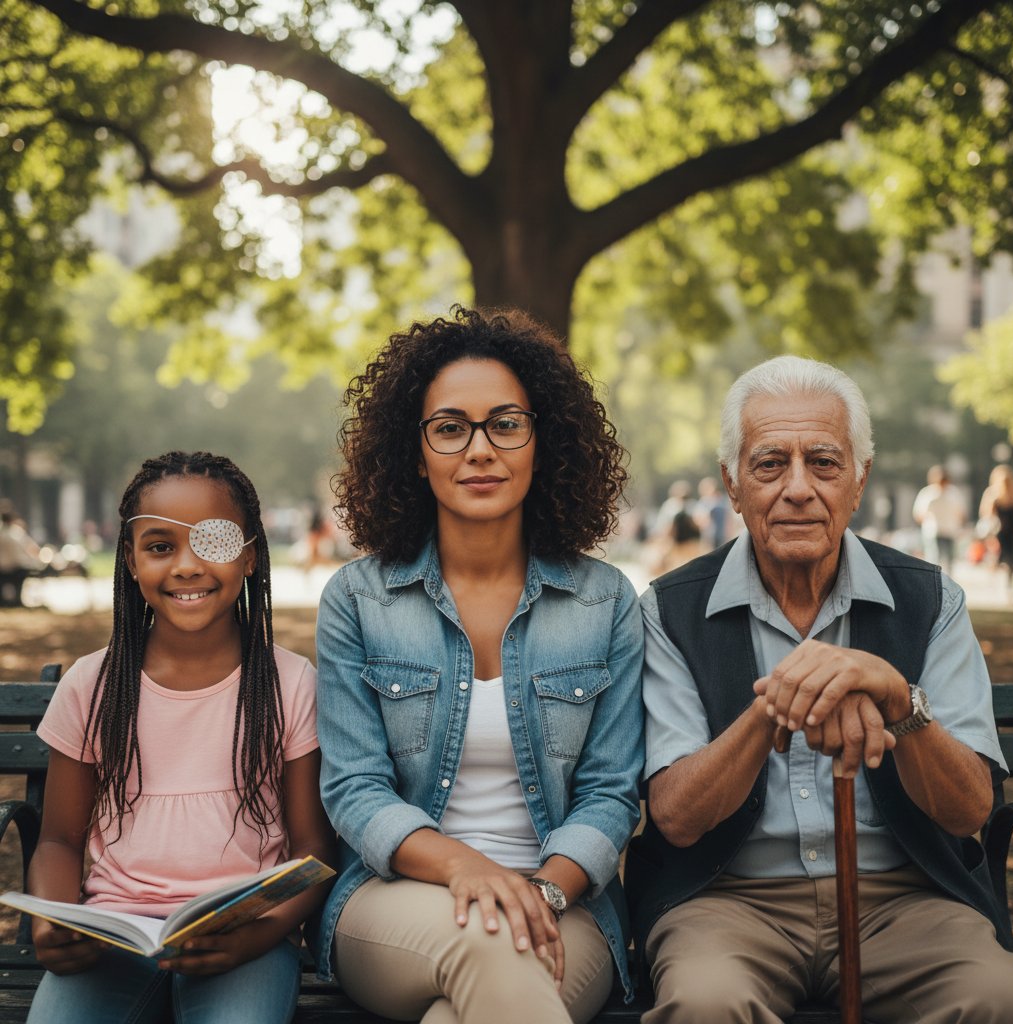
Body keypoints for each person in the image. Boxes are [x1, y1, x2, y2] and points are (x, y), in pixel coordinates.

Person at [627, 356, 1013, 1024]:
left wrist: (901, 703)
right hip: (728, 902)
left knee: (1000, 997)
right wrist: (775, 705)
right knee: (705, 1004)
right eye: (770, 464)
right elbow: (676, 816)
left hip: (907, 901)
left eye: (824, 462)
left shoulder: (931, 599)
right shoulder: (668, 609)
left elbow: (969, 812)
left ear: (859, 480)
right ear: (732, 482)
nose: (799, 488)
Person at [315, 307, 644, 1023]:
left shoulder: (605, 601)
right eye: (450, 427)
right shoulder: (359, 600)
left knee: (466, 1003)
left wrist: (543, 891)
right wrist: (468, 869)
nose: (480, 450)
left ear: (542, 439)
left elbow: (612, 793)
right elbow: (354, 789)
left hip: (564, 904)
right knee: (492, 948)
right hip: (397, 900)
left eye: (505, 423)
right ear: (417, 449)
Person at [25, 452, 335, 1024]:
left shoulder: (290, 684)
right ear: (131, 559)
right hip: (114, 938)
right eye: (161, 546)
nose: (187, 566)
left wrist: (261, 933)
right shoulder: (93, 685)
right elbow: (59, 842)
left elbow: (311, 849)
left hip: (244, 939)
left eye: (213, 543)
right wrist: (53, 920)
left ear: (248, 556)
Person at [978, 464, 1013, 600]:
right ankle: (1000, 586)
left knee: (1008, 561)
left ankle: (1003, 586)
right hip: (1001, 534)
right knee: (1002, 560)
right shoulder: (994, 495)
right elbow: (987, 516)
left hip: (1010, 534)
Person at [912, 464, 967, 575]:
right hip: (933, 531)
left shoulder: (953, 493)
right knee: (934, 559)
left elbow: (961, 514)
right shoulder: (928, 493)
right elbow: (918, 514)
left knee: (948, 560)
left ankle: (946, 582)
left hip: (949, 531)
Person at [0, 504, 45, 607]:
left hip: (3, 569)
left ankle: (6, 601)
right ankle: (17, 601)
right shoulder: (17, 532)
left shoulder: (4, 533)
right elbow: (33, 549)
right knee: (18, 584)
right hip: (17, 568)